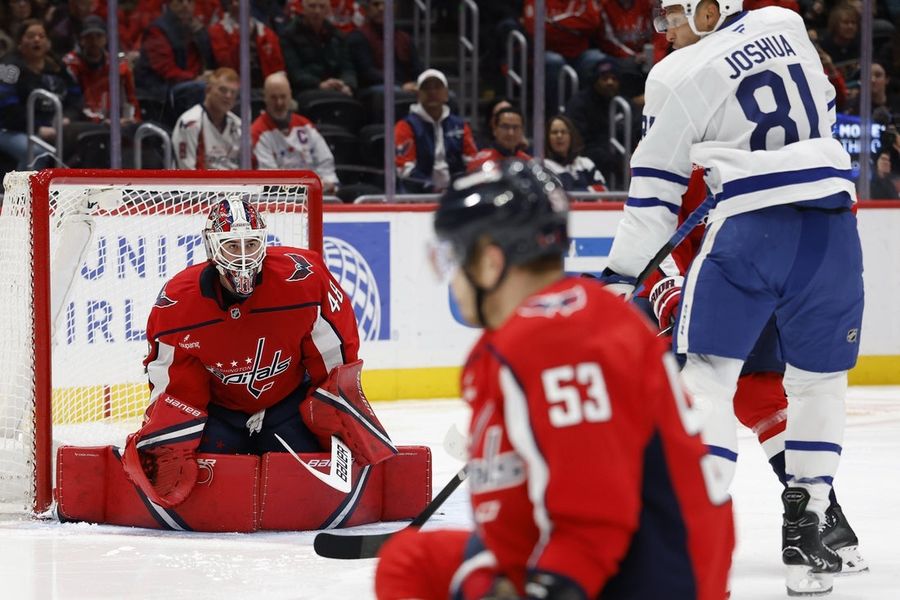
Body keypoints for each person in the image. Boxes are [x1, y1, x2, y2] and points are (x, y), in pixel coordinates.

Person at [374, 159, 734, 600]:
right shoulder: (559, 322)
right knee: (412, 562)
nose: (453, 277)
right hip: (624, 556)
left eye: (455, 256)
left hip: (641, 578)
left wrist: (547, 587)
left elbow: (595, 518)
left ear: (489, 262)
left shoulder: (558, 340)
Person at [602, 0, 864, 593]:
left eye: (671, 15)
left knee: (710, 382)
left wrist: (618, 280)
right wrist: (669, 287)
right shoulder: (786, 23)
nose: (662, 29)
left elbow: (652, 205)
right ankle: (812, 523)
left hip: (747, 235)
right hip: (831, 225)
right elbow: (821, 105)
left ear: (709, 10)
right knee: (808, 386)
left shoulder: (672, 79)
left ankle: (695, 529)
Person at [121, 197, 397, 510]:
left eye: (250, 244)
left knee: (312, 485)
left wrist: (339, 427)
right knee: (198, 491)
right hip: (219, 414)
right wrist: (166, 445)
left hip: (287, 407)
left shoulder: (304, 281)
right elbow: (175, 392)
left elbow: (335, 365)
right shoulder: (176, 304)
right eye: (231, 246)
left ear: (263, 242)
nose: (242, 257)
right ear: (212, 248)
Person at [0, 19, 83, 169]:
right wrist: (36, 129)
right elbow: (7, 107)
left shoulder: (58, 66)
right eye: (31, 36)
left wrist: (68, 117)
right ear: (20, 42)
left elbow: (76, 96)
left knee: (85, 140)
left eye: (41, 36)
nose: (37, 40)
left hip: (53, 128)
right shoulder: (8, 67)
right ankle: (21, 192)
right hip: (10, 130)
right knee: (37, 153)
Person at [251, 71, 339, 193]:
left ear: (290, 96)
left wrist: (329, 184)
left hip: (316, 194)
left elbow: (325, 162)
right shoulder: (257, 131)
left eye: (283, 96)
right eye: (273, 97)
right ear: (265, 97)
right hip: (280, 202)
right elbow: (270, 180)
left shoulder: (305, 125)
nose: (279, 103)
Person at [394, 68, 478, 193]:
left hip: (455, 193)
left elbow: (472, 161)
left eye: (437, 87)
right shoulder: (405, 126)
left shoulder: (460, 125)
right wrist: (432, 188)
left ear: (446, 94)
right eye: (426, 88)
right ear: (418, 94)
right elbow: (404, 169)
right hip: (417, 196)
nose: (432, 92)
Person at [133, 0, 214, 121]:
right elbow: (166, 70)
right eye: (180, 1)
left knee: (223, 86)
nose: (186, 5)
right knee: (201, 89)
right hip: (162, 91)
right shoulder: (157, 30)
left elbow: (208, 60)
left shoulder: (196, 28)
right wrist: (194, 78)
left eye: (189, 2)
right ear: (170, 4)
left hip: (190, 83)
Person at [565, 56, 638, 189]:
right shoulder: (580, 104)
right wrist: (617, 162)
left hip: (626, 164)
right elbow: (580, 143)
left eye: (614, 78)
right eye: (604, 78)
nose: (609, 82)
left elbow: (638, 132)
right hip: (592, 163)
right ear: (595, 80)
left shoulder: (625, 104)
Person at [63, 15, 140, 125]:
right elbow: (75, 104)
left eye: (98, 36)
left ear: (105, 39)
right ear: (82, 40)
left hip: (115, 122)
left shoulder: (118, 65)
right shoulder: (72, 65)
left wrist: (131, 119)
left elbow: (131, 99)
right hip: (85, 123)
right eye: (89, 37)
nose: (94, 41)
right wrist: (102, 121)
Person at [281, 0, 356, 95]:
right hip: (306, 90)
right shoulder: (289, 35)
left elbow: (348, 68)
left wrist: (347, 84)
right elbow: (295, 73)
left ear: (328, 10)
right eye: (312, 6)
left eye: (322, 6)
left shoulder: (336, 34)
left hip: (338, 87)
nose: (317, 11)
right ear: (303, 8)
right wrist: (319, 84)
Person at [172, 66, 241, 170]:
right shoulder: (190, 123)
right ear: (208, 90)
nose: (228, 96)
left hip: (233, 184)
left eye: (233, 92)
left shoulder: (238, 125)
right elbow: (187, 172)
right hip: (198, 184)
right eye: (223, 90)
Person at [346, 0, 421, 92]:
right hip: (373, 90)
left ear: (395, 8)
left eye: (386, 4)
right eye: (376, 4)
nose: (381, 8)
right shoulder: (358, 37)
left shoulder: (405, 38)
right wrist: (402, 86)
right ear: (367, 8)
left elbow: (417, 69)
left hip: (405, 87)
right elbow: (368, 73)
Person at [208, 0, 285, 88]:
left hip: (265, 88)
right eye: (231, 1)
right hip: (233, 89)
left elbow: (278, 68)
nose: (235, 4)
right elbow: (226, 65)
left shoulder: (266, 33)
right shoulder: (218, 32)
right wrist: (241, 37)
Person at [543, 113, 608, 193]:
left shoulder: (585, 163)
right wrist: (590, 191)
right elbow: (560, 195)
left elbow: (603, 190)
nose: (559, 136)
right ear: (547, 138)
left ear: (571, 136)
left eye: (563, 132)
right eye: (554, 132)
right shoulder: (543, 166)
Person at [467, 107, 530, 171]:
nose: (511, 133)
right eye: (505, 127)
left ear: (522, 130)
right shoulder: (479, 162)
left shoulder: (528, 163)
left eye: (515, 127)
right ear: (495, 129)